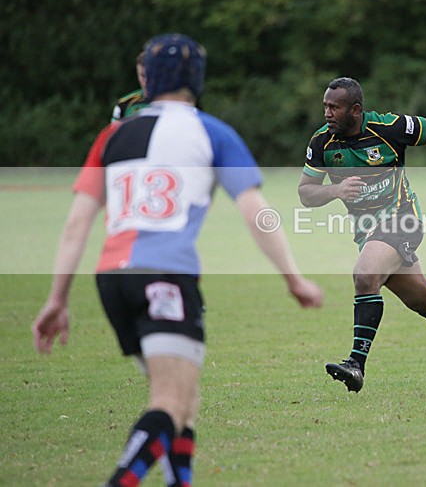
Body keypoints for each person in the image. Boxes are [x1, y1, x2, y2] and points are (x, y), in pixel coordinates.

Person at [32, 33, 323, 487]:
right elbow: (257, 213)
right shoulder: (211, 131)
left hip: (112, 280)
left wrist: (56, 298)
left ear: (147, 79)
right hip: (165, 277)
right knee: (169, 402)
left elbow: (76, 226)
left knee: (183, 402)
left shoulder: (112, 135)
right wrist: (293, 278)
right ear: (197, 79)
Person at [298, 77, 426, 393]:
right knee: (422, 299)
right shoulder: (322, 143)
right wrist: (335, 190)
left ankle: (356, 364)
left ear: (356, 110)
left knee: (365, 275)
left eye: (334, 107)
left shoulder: (389, 128)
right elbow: (306, 193)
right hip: (368, 232)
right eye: (325, 106)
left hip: (403, 220)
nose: (327, 113)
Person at [111, 51, 148, 121]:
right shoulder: (124, 105)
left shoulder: (172, 103)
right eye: (142, 76)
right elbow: (115, 130)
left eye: (151, 75)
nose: (146, 81)